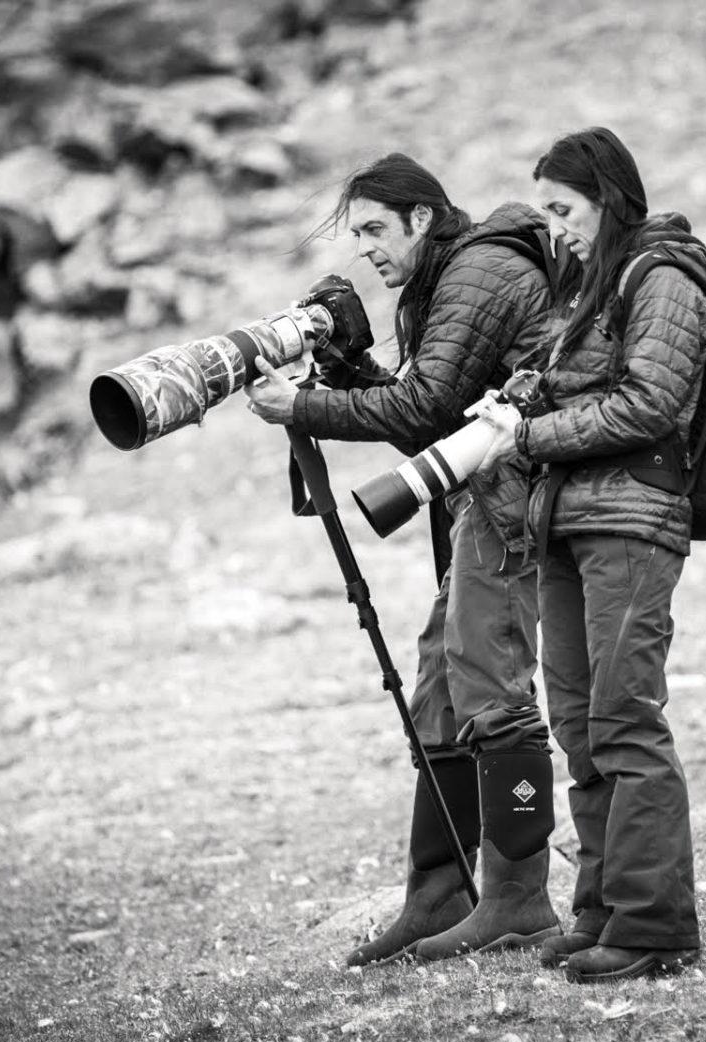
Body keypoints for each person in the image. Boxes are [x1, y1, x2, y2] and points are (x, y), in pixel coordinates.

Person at [244, 153, 564, 965]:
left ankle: (519, 898)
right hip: (485, 497)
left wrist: (305, 404)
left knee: (488, 681)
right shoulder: (445, 282)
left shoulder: (479, 270)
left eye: (377, 229)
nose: (368, 250)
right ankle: (437, 891)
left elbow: (425, 406)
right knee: (441, 680)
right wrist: (351, 367)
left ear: (423, 218)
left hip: (519, 497)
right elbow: (436, 423)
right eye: (357, 236)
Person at [473, 127, 706, 984]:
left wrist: (529, 435)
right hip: (570, 527)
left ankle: (655, 927)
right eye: (543, 210)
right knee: (579, 727)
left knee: (624, 719)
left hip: (631, 526)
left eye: (562, 209)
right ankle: (602, 911)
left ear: (608, 199)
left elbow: (650, 403)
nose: (554, 227)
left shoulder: (664, 277)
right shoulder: (594, 288)